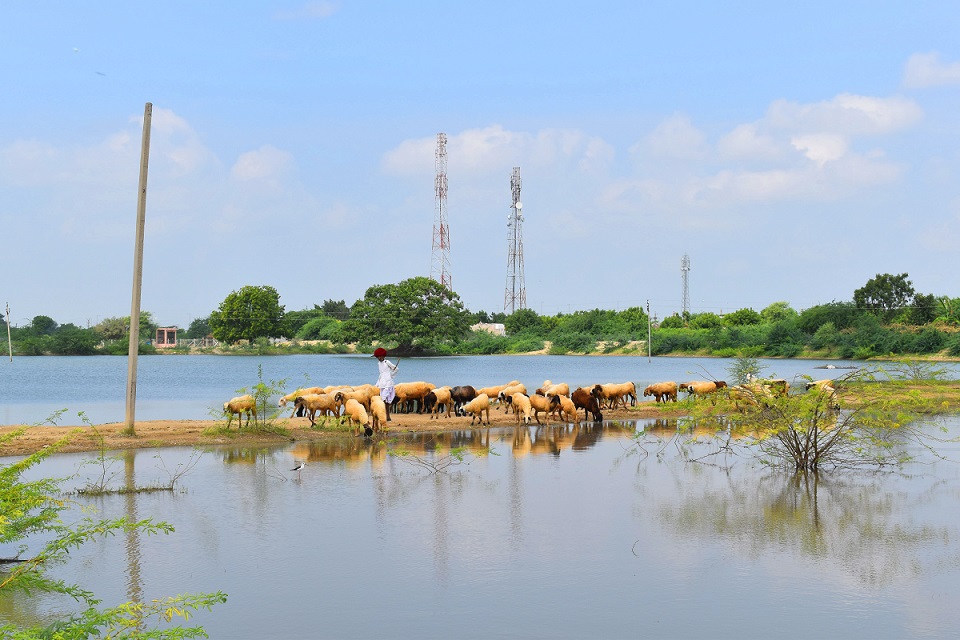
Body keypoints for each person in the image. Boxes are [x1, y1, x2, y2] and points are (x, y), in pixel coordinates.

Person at [372, 347, 399, 421]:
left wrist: (391, 375)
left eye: (380, 356)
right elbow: (381, 374)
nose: (379, 358)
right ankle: (386, 416)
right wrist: (378, 382)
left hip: (388, 383)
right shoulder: (378, 364)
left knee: (385, 400)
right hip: (382, 384)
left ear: (383, 356)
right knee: (383, 400)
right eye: (378, 357)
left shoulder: (387, 362)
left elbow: (396, 369)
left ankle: (386, 416)